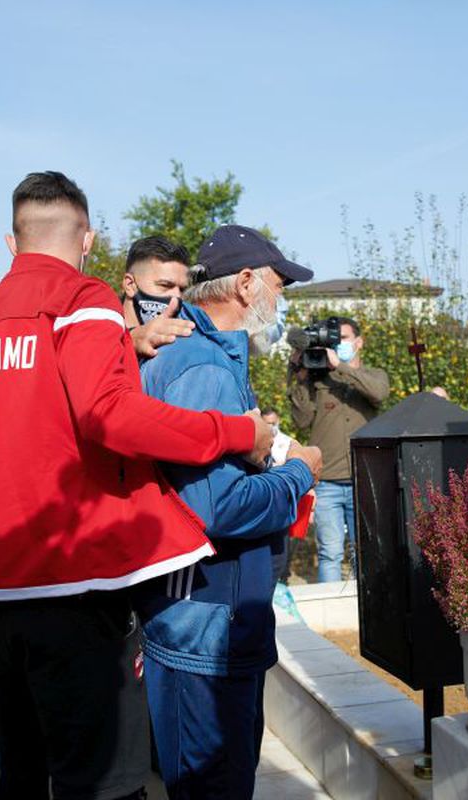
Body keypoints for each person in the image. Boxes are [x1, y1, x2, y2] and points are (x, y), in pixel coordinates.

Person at [0, 171, 274, 800]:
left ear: (13, 242)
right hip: (77, 580)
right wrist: (232, 434)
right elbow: (109, 415)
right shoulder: (81, 300)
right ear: (88, 237)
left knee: (22, 761)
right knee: (102, 777)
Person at [137, 224, 322, 799]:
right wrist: (299, 473)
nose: (282, 297)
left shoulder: (202, 358)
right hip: (207, 630)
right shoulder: (205, 368)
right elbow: (217, 505)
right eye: (278, 282)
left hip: (200, 620)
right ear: (244, 284)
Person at [289, 316, 390, 582]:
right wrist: (300, 377)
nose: (337, 345)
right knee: (330, 552)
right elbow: (301, 421)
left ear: (359, 342)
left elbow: (379, 393)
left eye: (343, 339)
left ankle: (366, 612)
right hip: (328, 482)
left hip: (363, 479)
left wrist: (341, 367)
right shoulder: (318, 380)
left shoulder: (373, 376)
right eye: (335, 341)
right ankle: (330, 615)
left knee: (364, 551)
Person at [122, 235, 197, 358]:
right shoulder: (94, 326)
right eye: (165, 285)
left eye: (183, 290)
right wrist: (130, 340)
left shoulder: (183, 338)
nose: (177, 297)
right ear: (130, 285)